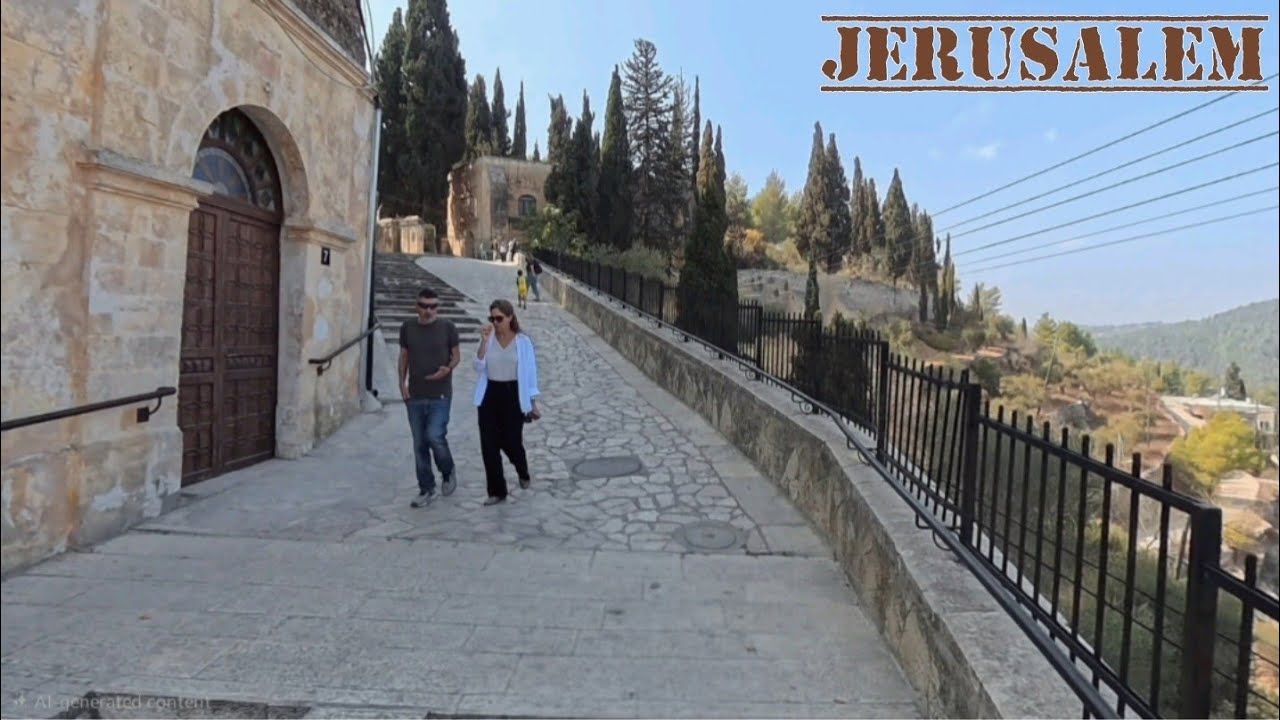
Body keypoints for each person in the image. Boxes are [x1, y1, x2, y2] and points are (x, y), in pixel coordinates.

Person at [473, 299, 541, 505]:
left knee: (511, 440)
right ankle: (496, 491)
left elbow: (530, 373)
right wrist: (484, 342)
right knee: (489, 444)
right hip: (490, 394)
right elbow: (478, 366)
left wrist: (532, 401)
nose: (495, 322)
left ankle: (522, 469)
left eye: (499, 318)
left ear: (510, 317)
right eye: (492, 318)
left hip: (513, 394)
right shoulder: (489, 338)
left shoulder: (522, 342)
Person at [399, 288, 460, 507]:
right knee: (419, 443)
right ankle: (426, 488)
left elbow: (456, 356)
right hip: (415, 394)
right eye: (424, 306)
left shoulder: (447, 327)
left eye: (433, 306)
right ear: (417, 306)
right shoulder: (408, 328)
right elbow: (404, 357)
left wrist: (448, 369)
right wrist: (402, 383)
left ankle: (447, 469)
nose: (429, 310)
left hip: (440, 394)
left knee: (435, 435)